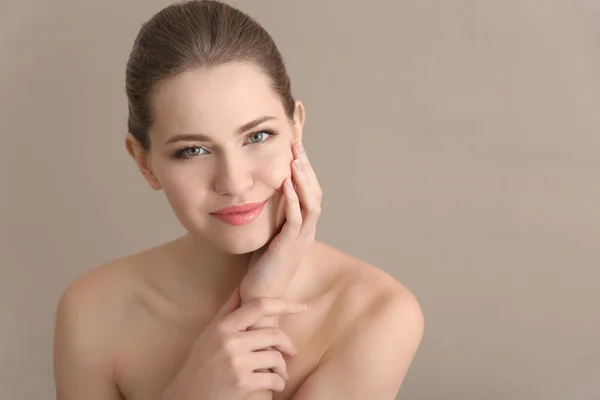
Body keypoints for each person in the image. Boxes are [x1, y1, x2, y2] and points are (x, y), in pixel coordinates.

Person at [53, 1, 424, 399]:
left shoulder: (375, 312)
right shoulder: (93, 312)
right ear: (145, 163)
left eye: (258, 136)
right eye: (193, 150)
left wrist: (260, 302)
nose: (234, 181)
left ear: (296, 129)